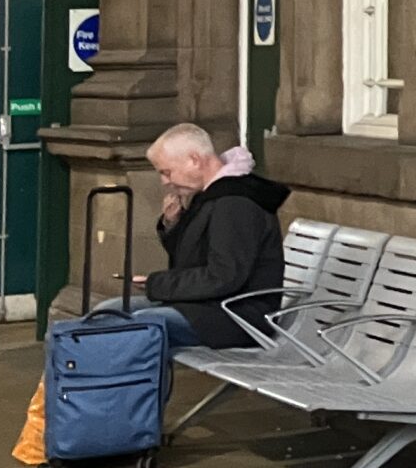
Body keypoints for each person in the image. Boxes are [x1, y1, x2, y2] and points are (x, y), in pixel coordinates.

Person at [108, 124, 291, 350]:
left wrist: (157, 284)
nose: (165, 182)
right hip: (208, 306)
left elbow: (224, 276)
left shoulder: (235, 202)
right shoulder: (213, 195)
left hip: (237, 315)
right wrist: (173, 223)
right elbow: (192, 257)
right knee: (109, 312)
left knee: (135, 326)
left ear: (194, 160)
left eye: (166, 172)